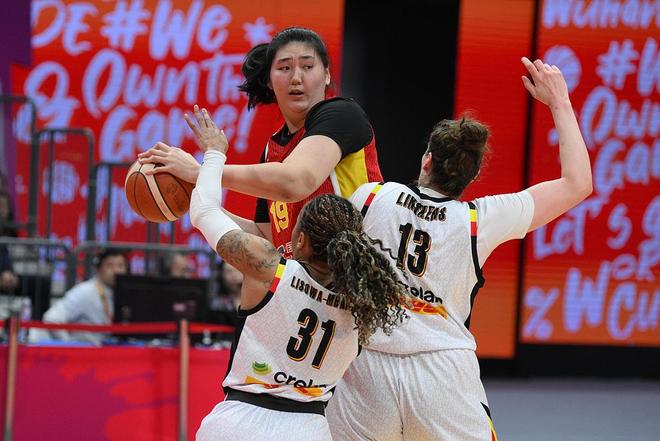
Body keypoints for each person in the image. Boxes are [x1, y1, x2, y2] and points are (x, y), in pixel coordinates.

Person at [326, 58, 593, 440]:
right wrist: (560, 102)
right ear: (472, 175)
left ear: (427, 160)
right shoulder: (479, 219)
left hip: (369, 367)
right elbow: (577, 183)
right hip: (442, 372)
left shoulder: (372, 197)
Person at [187, 112, 406, 441]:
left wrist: (214, 152)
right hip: (308, 428)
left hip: (239, 422)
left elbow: (204, 210)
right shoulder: (365, 304)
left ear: (299, 240)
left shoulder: (268, 268)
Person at [138, 27, 383, 257]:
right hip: (304, 282)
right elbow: (267, 240)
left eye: (308, 66)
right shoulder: (271, 149)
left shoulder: (342, 114)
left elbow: (295, 181)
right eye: (284, 68)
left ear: (327, 74)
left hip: (356, 274)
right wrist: (199, 194)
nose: (296, 77)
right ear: (269, 81)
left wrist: (202, 171)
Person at [36, 249, 128, 345]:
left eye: (121, 265)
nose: (116, 270)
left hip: (108, 349)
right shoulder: (85, 291)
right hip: (85, 351)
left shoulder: (123, 294)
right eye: (110, 265)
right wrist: (68, 345)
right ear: (98, 269)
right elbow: (51, 319)